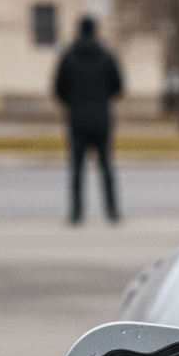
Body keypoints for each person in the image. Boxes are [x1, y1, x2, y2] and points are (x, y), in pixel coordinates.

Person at [54, 16, 123, 223]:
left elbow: (58, 88)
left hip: (77, 119)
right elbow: (118, 86)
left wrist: (73, 103)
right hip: (101, 118)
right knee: (106, 166)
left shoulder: (68, 56)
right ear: (95, 30)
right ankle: (111, 211)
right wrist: (102, 99)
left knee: (76, 168)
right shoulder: (106, 55)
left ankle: (76, 212)